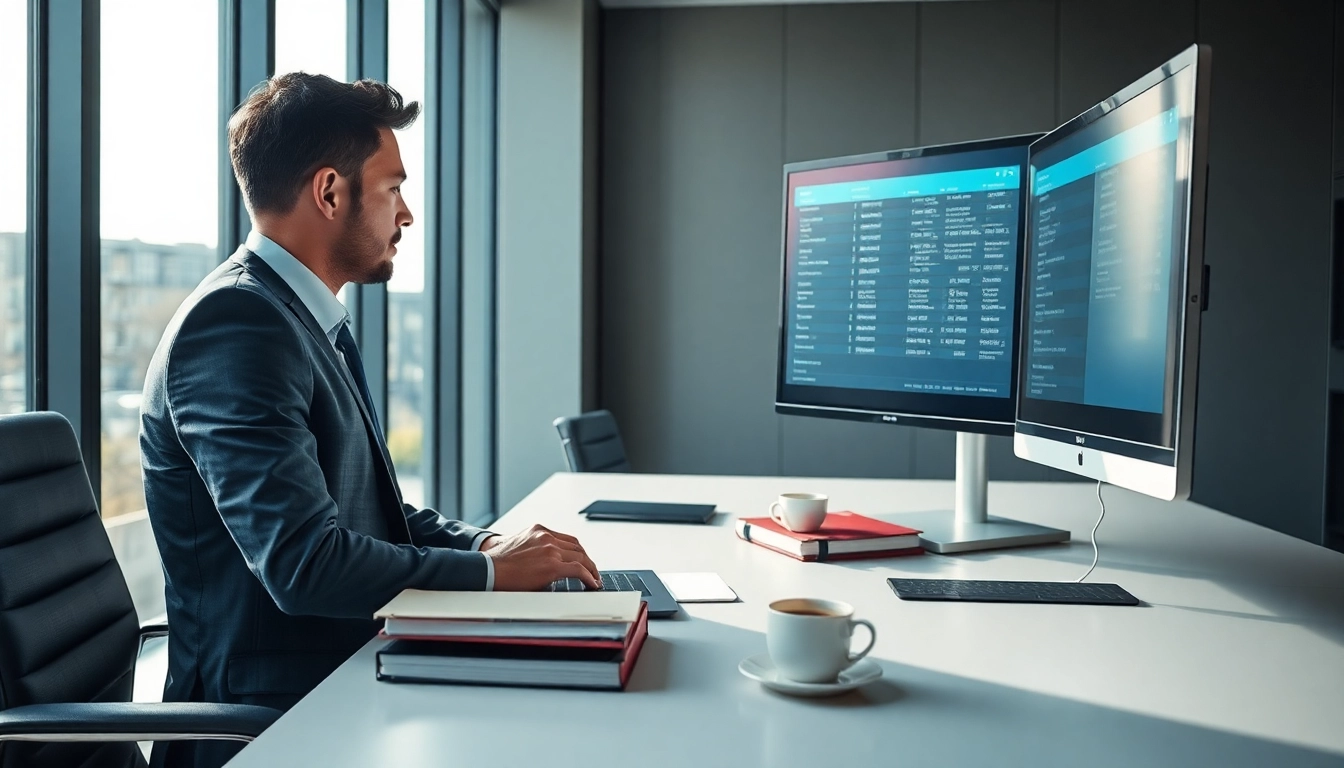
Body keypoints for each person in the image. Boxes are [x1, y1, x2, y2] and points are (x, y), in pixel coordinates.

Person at [139, 73, 600, 768]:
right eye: (393, 188)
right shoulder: (235, 326)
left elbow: (370, 512)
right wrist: (492, 577)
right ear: (330, 192)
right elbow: (304, 564)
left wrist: (491, 550)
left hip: (350, 675)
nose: (407, 214)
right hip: (274, 721)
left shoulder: (300, 319)